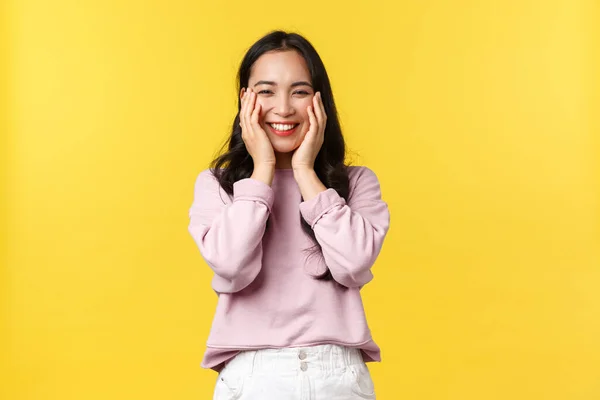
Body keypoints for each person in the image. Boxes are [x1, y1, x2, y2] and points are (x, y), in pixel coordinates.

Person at [188, 30, 391, 400]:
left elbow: (354, 263)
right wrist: (263, 167)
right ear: (245, 100)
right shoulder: (217, 185)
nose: (283, 108)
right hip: (252, 376)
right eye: (266, 91)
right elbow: (231, 265)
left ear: (319, 100)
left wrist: (305, 173)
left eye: (298, 91)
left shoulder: (357, 183)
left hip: (338, 374)